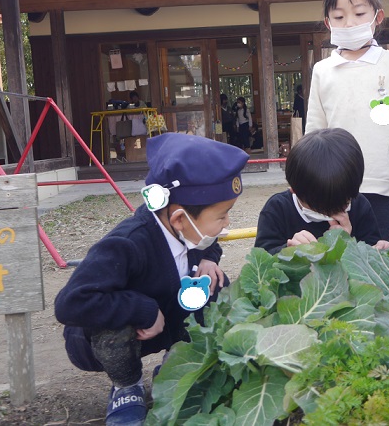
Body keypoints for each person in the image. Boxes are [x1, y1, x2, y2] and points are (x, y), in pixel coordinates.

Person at [55, 133, 249, 425]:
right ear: (180, 219)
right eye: (222, 216)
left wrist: (211, 257)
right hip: (111, 334)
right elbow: (70, 303)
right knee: (113, 329)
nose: (227, 223)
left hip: (166, 321)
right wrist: (141, 310)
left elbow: (208, 240)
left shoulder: (187, 230)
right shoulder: (128, 244)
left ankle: (177, 364)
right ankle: (126, 385)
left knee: (216, 285)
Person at [306, 0, 389, 242]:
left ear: (377, 16)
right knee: (341, 254)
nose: (349, 23)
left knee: (383, 252)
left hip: (385, 181)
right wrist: (312, 179)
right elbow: (315, 130)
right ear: (328, 22)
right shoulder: (322, 70)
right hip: (336, 185)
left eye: (359, 14)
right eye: (339, 17)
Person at [255, 128, 388, 255]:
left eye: (341, 207)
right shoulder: (277, 209)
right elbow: (262, 256)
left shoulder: (359, 206)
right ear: (293, 190)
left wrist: (348, 243)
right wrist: (289, 251)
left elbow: (371, 252)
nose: (328, 215)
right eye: (318, 210)